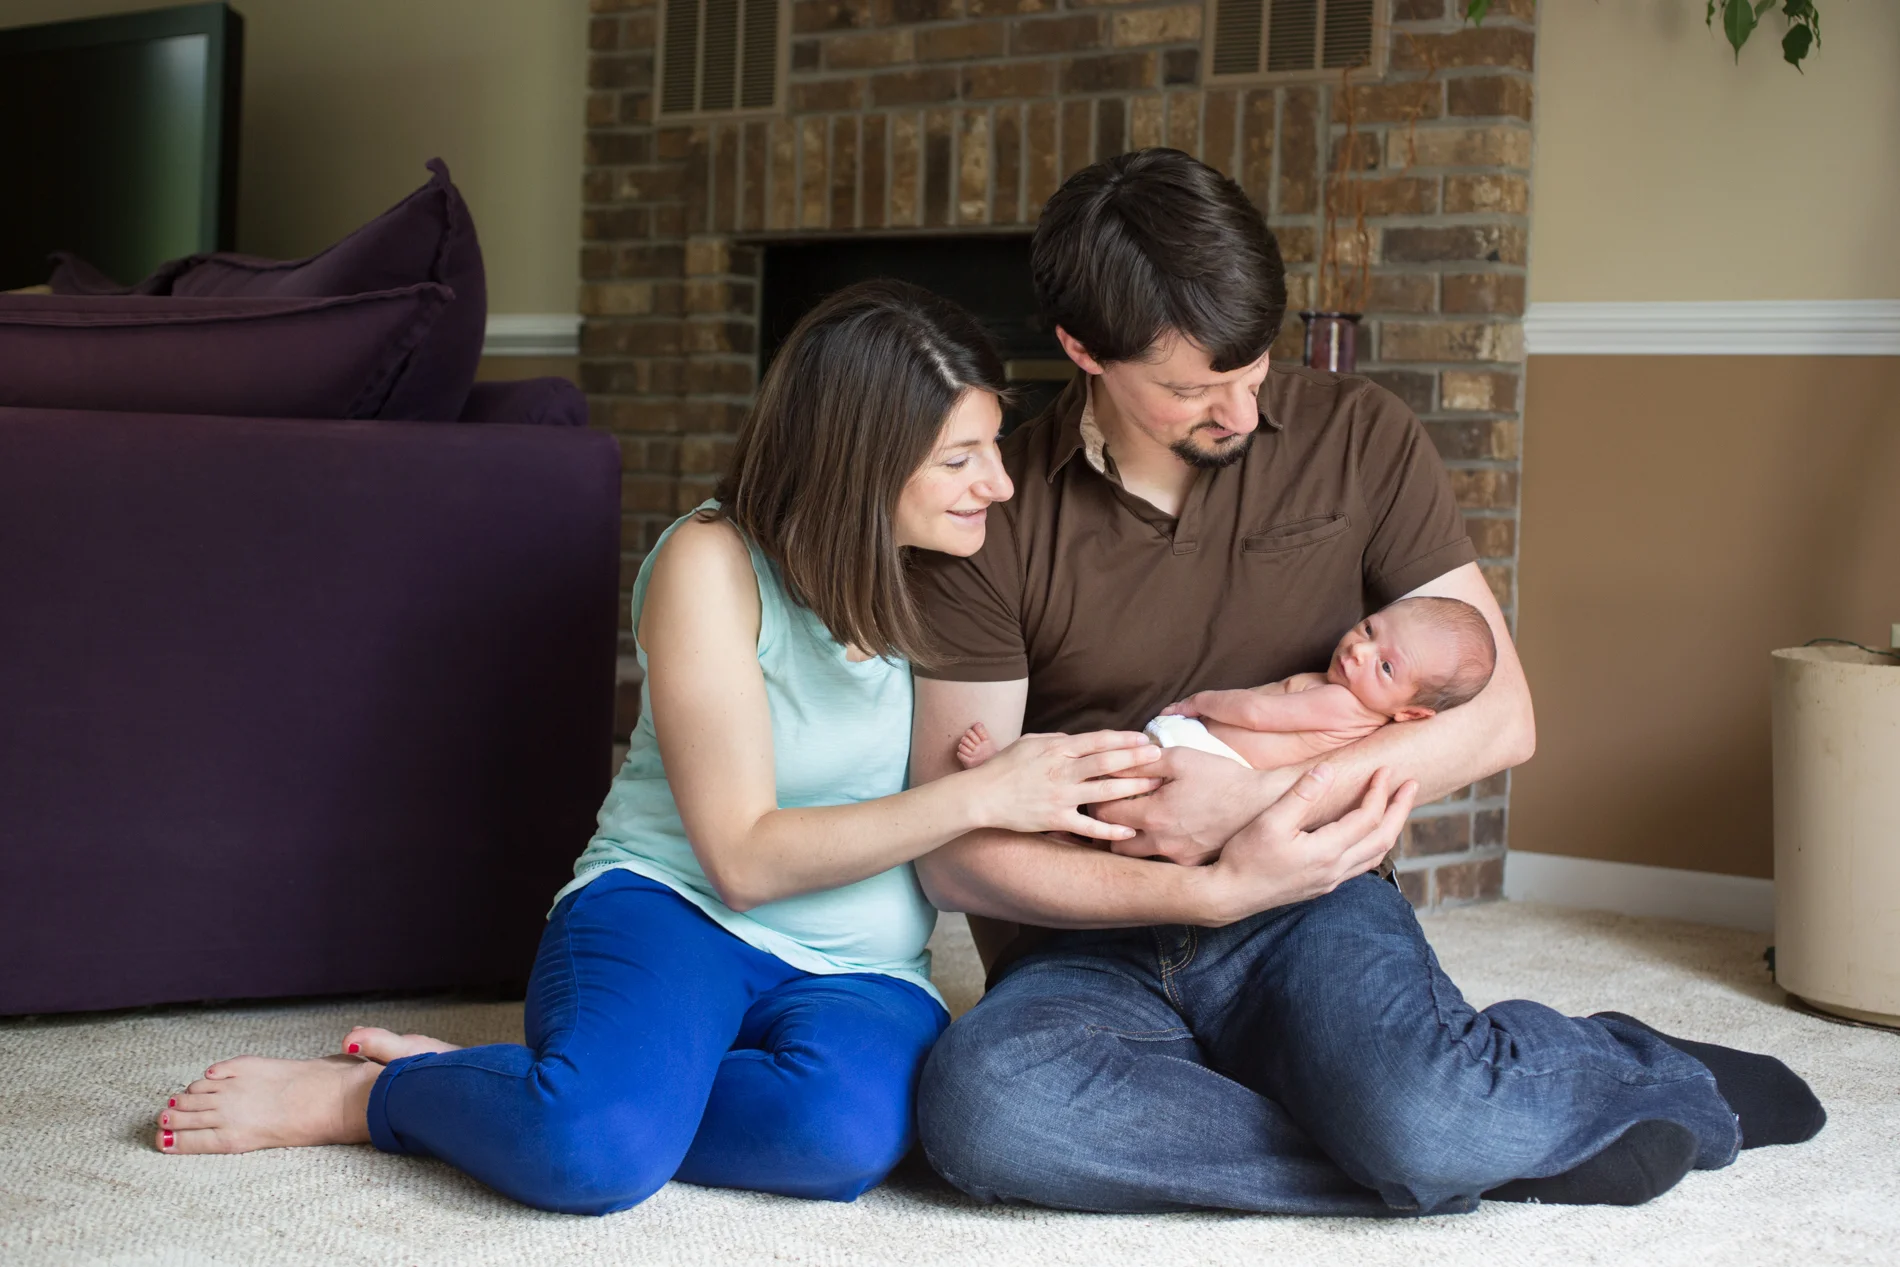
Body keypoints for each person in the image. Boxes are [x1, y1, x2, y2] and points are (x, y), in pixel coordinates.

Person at [906, 149, 1824, 1217]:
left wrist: (1258, 807)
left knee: (1420, 1112)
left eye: (1253, 368)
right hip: (1086, 944)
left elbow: (1503, 718)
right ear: (1081, 350)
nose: (1239, 411)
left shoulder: (1360, 438)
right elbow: (952, 852)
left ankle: (1592, 1078)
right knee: (989, 1112)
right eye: (1192, 390)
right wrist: (1202, 888)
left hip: (1311, 901)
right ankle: (1482, 1130)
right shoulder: (989, 510)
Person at [149, 280, 1172, 1215]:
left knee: (839, 1140)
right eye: (959, 459)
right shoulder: (711, 562)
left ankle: (554, 1084)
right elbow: (743, 857)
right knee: (590, 1154)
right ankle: (377, 1097)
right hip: (677, 908)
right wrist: (980, 795)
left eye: (993, 445)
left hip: (862, 966)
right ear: (857, 461)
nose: (998, 484)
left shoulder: (958, 570)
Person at [955, 595, 1497, 773]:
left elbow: (1259, 714)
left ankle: (1008, 765)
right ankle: (1018, 772)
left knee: (1092, 762)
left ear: (1411, 713)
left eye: (1386, 667)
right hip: (1197, 754)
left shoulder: (1342, 705)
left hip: (1201, 754)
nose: (1359, 651)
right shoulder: (1350, 696)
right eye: (1370, 629)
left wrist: (1200, 701)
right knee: (1094, 769)